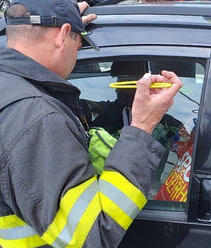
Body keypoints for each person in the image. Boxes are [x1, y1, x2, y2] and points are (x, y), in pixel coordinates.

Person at [0, 1, 182, 248]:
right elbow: (92, 235)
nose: (77, 54)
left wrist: (66, 23)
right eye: (79, 44)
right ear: (63, 34)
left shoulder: (9, 91)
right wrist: (142, 125)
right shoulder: (37, 117)